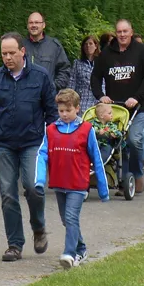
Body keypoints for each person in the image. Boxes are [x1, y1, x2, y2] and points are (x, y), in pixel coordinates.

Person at [0, 32, 58, 262]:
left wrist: (53, 143)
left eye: (12, 53)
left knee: (34, 188)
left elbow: (52, 114)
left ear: (23, 52)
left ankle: (39, 227)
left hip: (33, 142)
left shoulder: (41, 77)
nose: (7, 58)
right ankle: (14, 244)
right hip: (4, 143)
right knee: (8, 195)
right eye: (4, 54)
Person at [35, 89, 109, 269]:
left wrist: (103, 189)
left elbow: (97, 159)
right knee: (66, 220)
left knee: (70, 216)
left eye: (68, 110)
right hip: (60, 183)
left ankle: (69, 254)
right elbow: (42, 155)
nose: (64, 114)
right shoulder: (51, 130)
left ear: (77, 109)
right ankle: (81, 248)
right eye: (61, 111)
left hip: (78, 184)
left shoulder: (86, 130)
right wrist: (39, 180)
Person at [90, 19, 144, 195]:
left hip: (136, 107)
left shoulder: (142, 51)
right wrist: (101, 95)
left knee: (133, 141)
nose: (122, 35)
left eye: (125, 31)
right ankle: (116, 178)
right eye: (119, 32)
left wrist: (137, 97)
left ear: (131, 32)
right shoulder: (106, 53)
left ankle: (136, 174)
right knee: (113, 142)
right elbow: (95, 77)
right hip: (113, 109)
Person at [26, 12, 71, 92]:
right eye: (31, 23)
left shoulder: (54, 46)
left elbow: (64, 70)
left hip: (48, 98)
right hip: (25, 96)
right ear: (27, 25)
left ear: (43, 25)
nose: (33, 25)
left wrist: (53, 87)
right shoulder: (21, 46)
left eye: (37, 22)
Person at [69, 36, 101, 113]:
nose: (88, 46)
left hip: (98, 101)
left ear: (96, 46)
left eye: (90, 44)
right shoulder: (77, 63)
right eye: (86, 44)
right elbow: (72, 82)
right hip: (82, 101)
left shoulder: (102, 62)